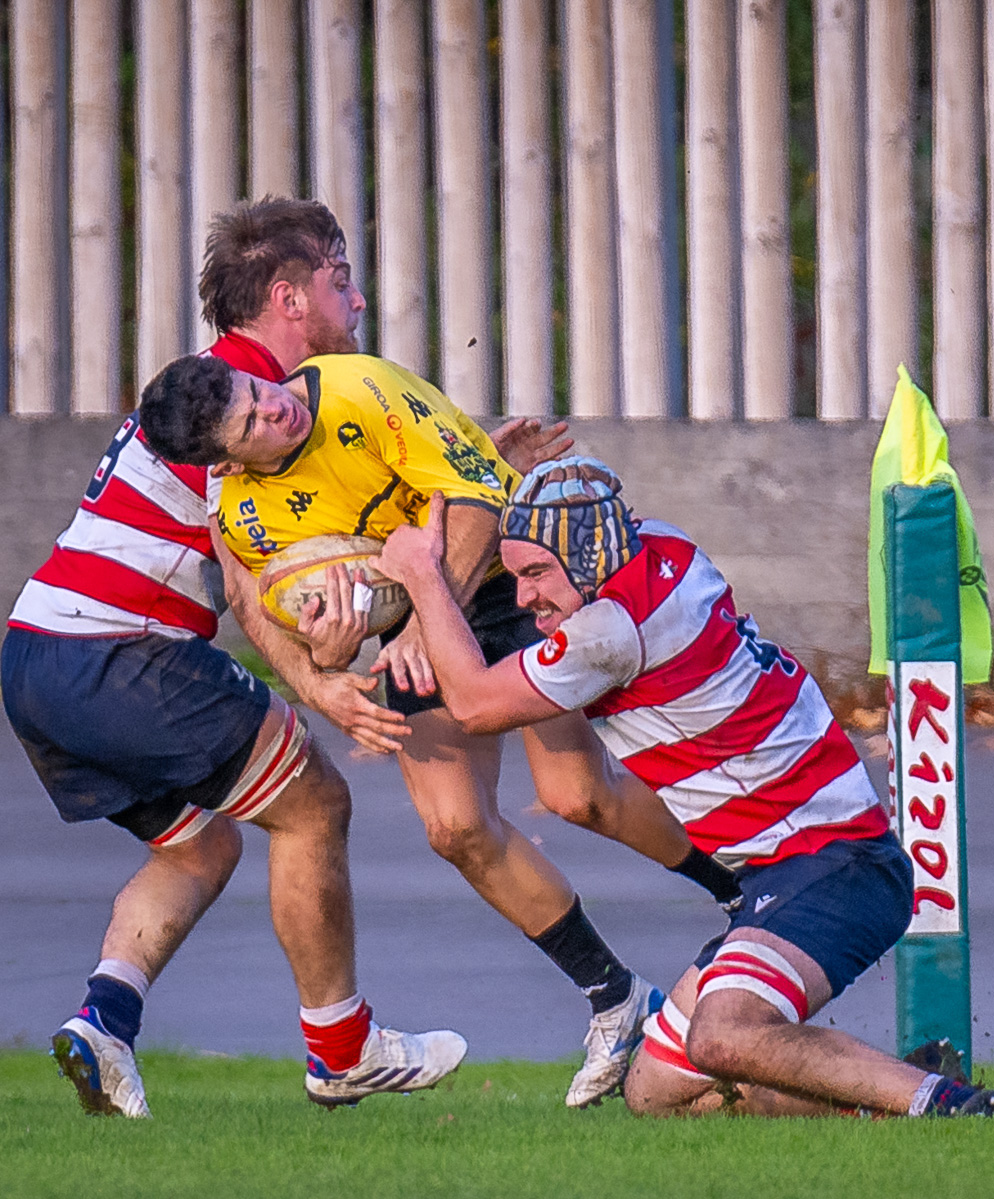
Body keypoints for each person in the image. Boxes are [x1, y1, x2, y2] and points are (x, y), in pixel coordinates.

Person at [140, 223, 741, 1105]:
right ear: (227, 462)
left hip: (509, 569)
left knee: (578, 794)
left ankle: (743, 891)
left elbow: (475, 499)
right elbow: (304, 618)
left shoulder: (357, 386)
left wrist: (432, 616)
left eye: (255, 390)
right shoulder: (247, 518)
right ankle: (617, 1000)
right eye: (249, 420)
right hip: (429, 604)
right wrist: (334, 654)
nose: (274, 406)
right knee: (454, 827)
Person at [369, 459, 994, 1119]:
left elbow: (474, 706)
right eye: (515, 576)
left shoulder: (611, 630)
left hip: (831, 864)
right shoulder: (663, 544)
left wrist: (424, 576)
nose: (522, 597)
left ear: (590, 554)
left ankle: (952, 1105)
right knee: (655, 1089)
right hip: (789, 866)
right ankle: (890, 1092)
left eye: (537, 573)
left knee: (724, 1036)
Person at [4, 208, 465, 1112]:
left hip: (32, 655)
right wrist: (319, 683)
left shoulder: (208, 390)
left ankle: (103, 1021)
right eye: (339, 278)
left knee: (202, 841)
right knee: (314, 803)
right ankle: (342, 1048)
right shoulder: (251, 395)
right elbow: (248, 583)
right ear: (288, 299)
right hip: (118, 650)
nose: (357, 298)